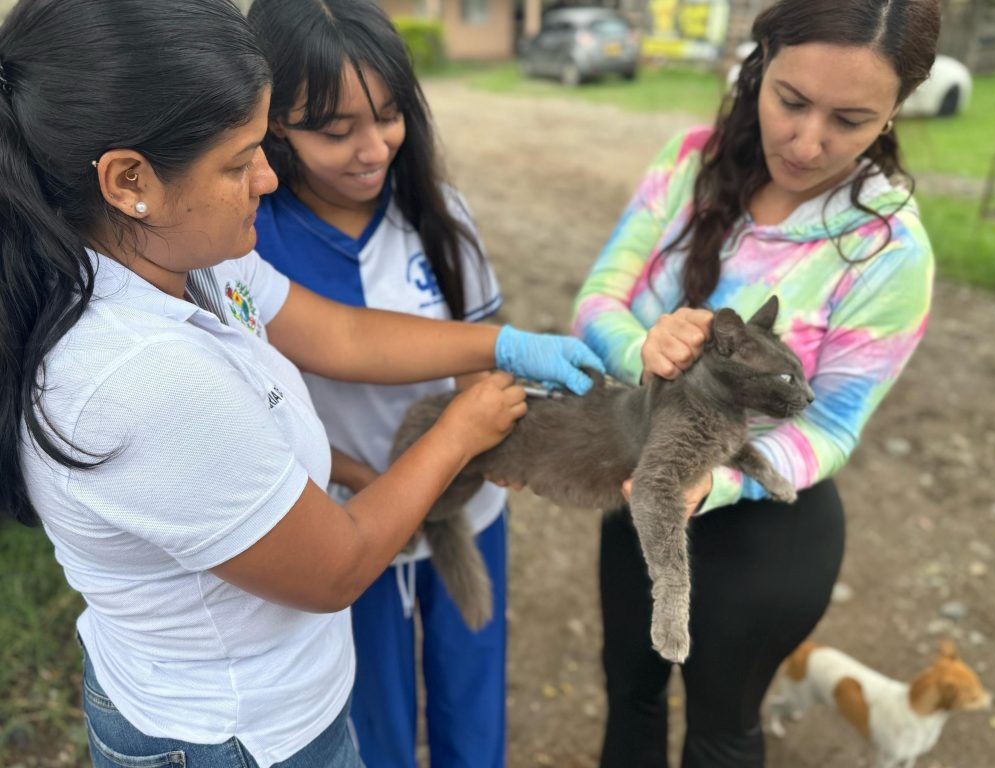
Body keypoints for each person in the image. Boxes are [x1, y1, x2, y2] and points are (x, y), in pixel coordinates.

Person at [0, 1, 604, 766]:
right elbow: (338, 566)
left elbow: (341, 333)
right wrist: (459, 431)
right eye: (240, 158)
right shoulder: (141, 378)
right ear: (129, 179)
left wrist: (507, 343)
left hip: (267, 702)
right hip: (235, 738)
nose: (268, 175)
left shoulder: (186, 254)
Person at [571, 1, 940, 766]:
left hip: (766, 529)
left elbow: (832, 426)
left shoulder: (890, 250)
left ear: (896, 110)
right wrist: (644, 346)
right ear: (761, 59)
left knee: (720, 734)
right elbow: (596, 302)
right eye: (791, 101)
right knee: (629, 694)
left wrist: (714, 482)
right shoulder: (689, 160)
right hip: (646, 480)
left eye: (850, 119)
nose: (807, 143)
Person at [245, 1, 510, 765]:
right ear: (270, 127)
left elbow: (476, 352)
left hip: (467, 506)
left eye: (390, 116)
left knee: (472, 693)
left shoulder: (437, 214)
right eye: (334, 130)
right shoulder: (247, 239)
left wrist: (456, 471)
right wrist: (378, 486)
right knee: (373, 717)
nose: (372, 149)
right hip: (346, 519)